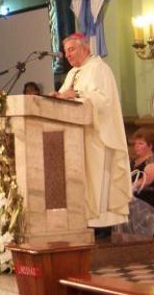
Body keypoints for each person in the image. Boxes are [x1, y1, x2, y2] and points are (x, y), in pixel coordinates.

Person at [51, 33, 131, 236]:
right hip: (77, 140)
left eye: (72, 49)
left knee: (98, 184)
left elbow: (104, 101)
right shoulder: (72, 74)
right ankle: (84, 224)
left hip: (98, 139)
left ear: (85, 47)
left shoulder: (99, 69)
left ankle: (102, 229)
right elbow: (65, 96)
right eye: (66, 51)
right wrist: (56, 98)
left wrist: (76, 95)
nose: (68, 55)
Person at [129, 129, 154, 210]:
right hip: (132, 202)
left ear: (150, 146)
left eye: (140, 143)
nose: (136, 146)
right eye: (135, 143)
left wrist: (127, 189)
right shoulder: (134, 160)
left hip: (145, 205)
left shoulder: (152, 162)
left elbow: (145, 181)